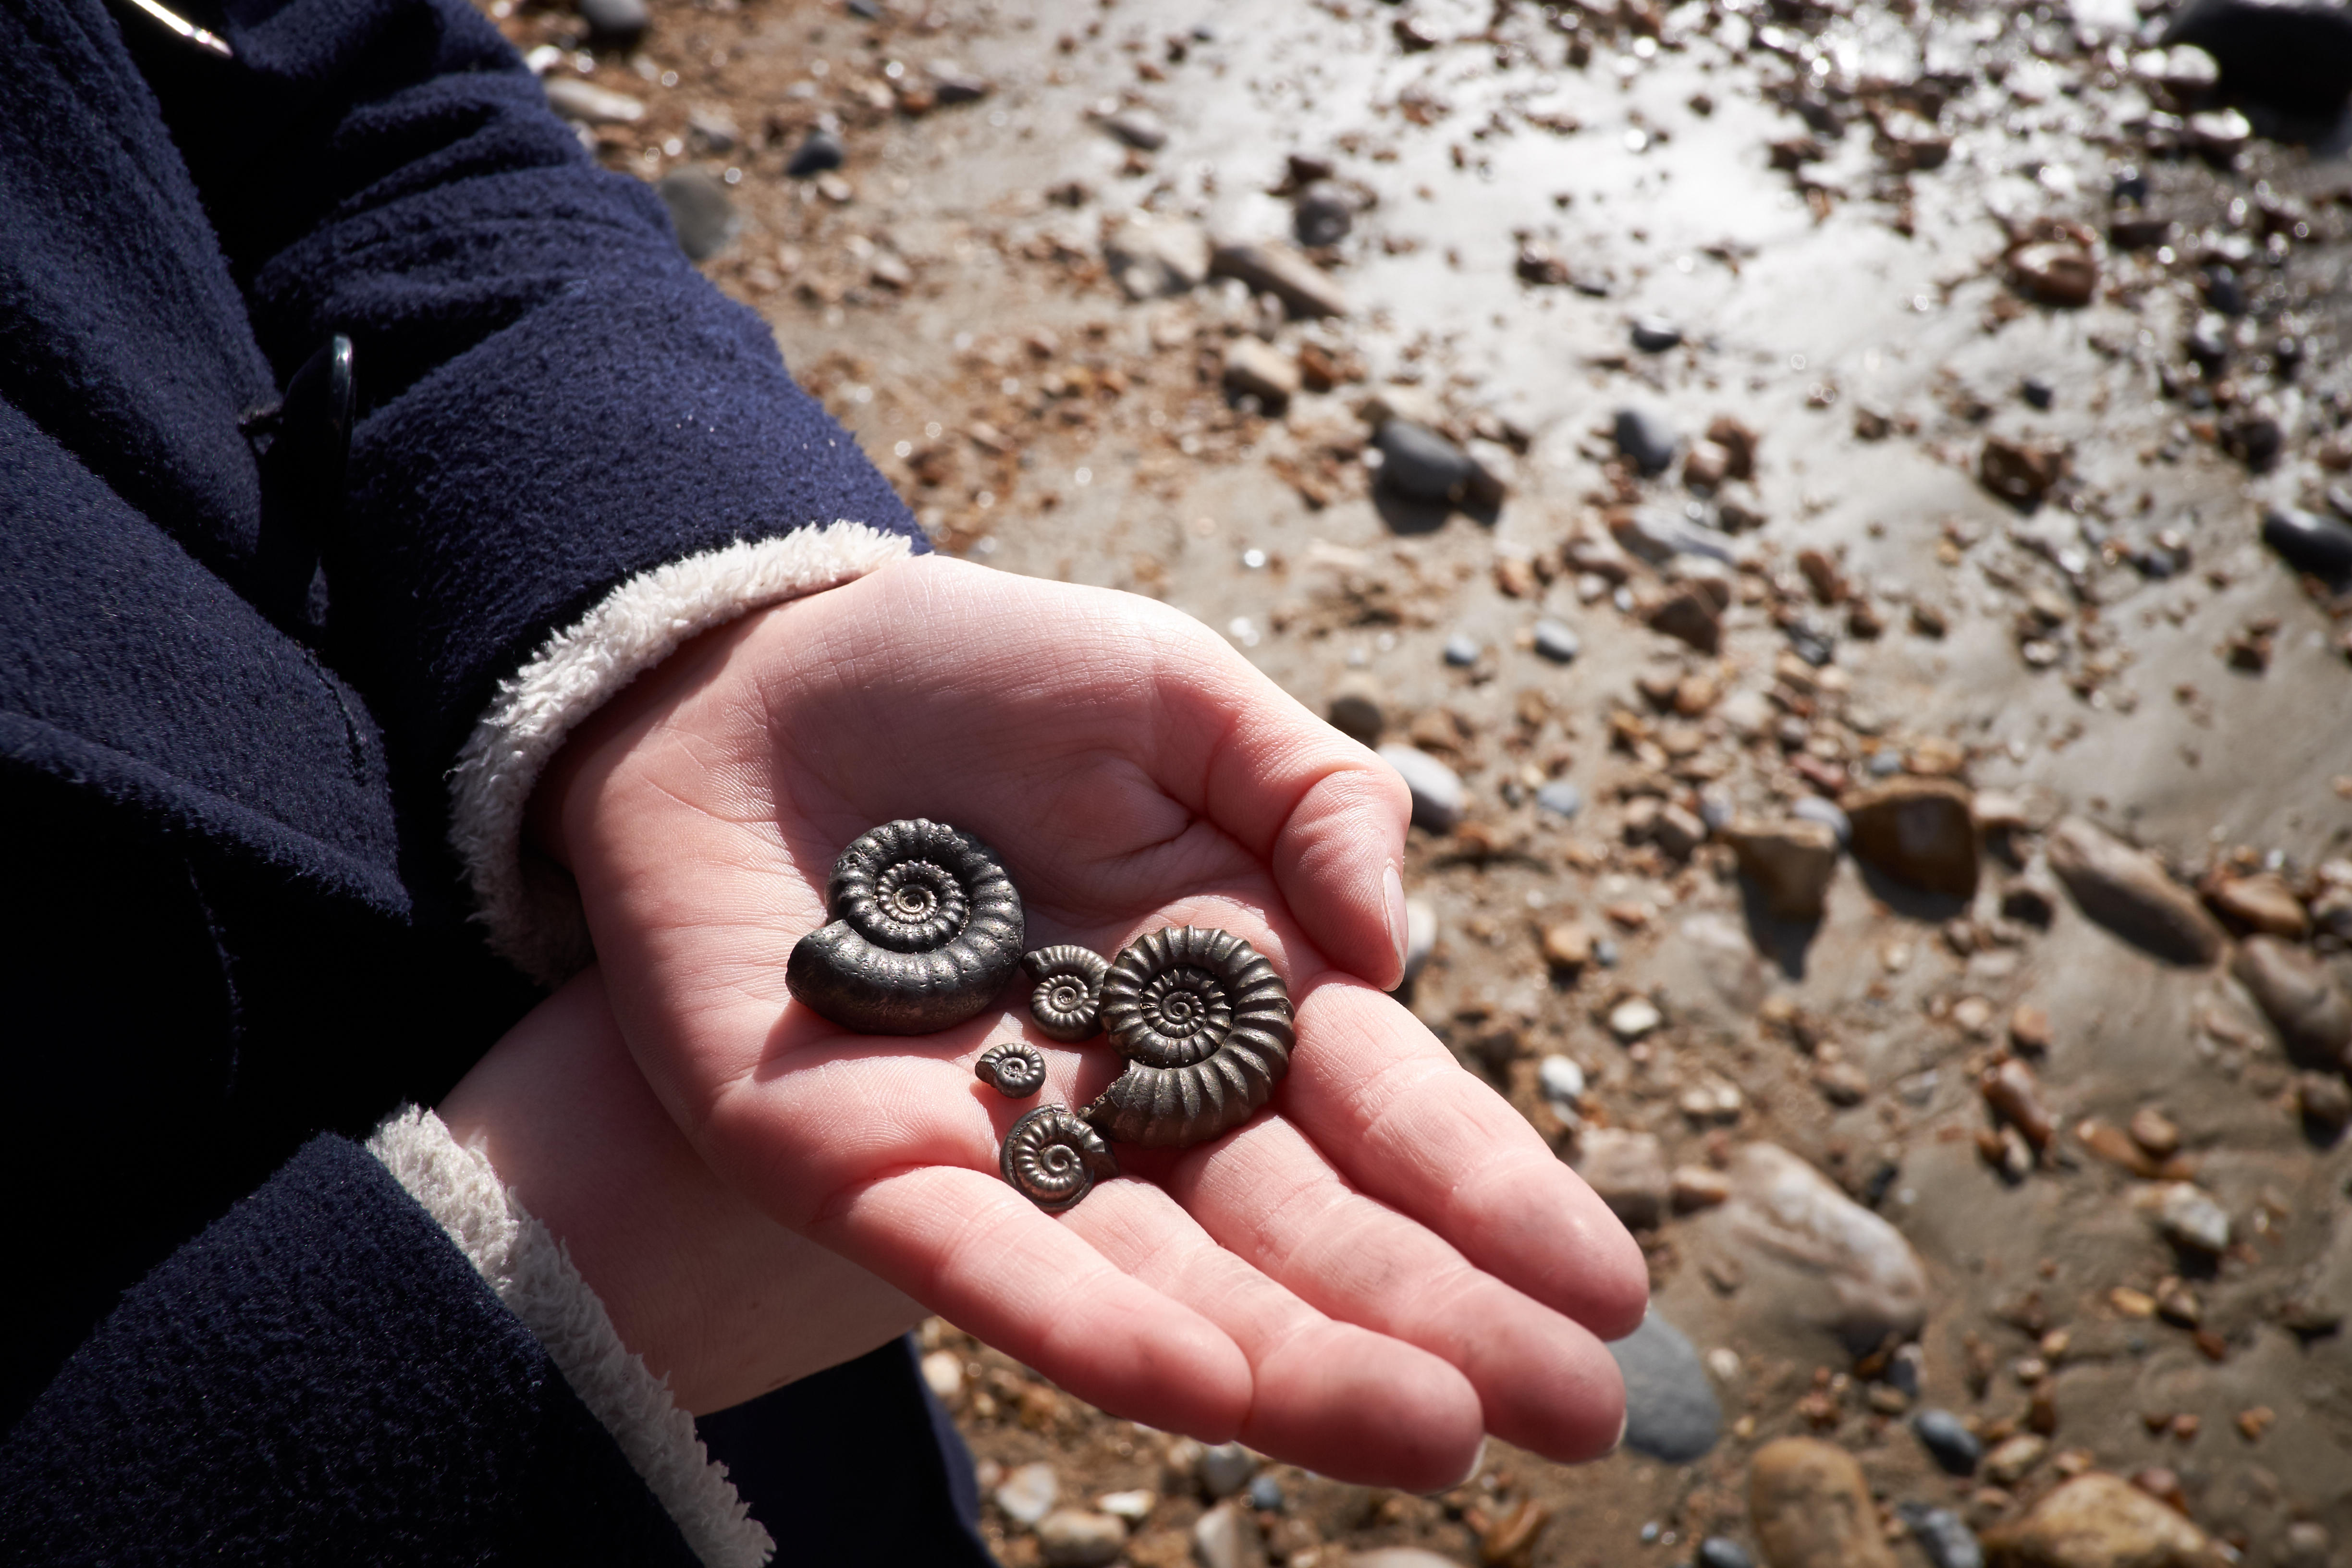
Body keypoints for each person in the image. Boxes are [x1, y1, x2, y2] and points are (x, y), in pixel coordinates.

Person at [0, 0, 1645, 1561]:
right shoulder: (952, 990)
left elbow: (350, 95)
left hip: (726, 1226)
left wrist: (686, 610)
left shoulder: (1015, 971)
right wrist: (489, 1309)